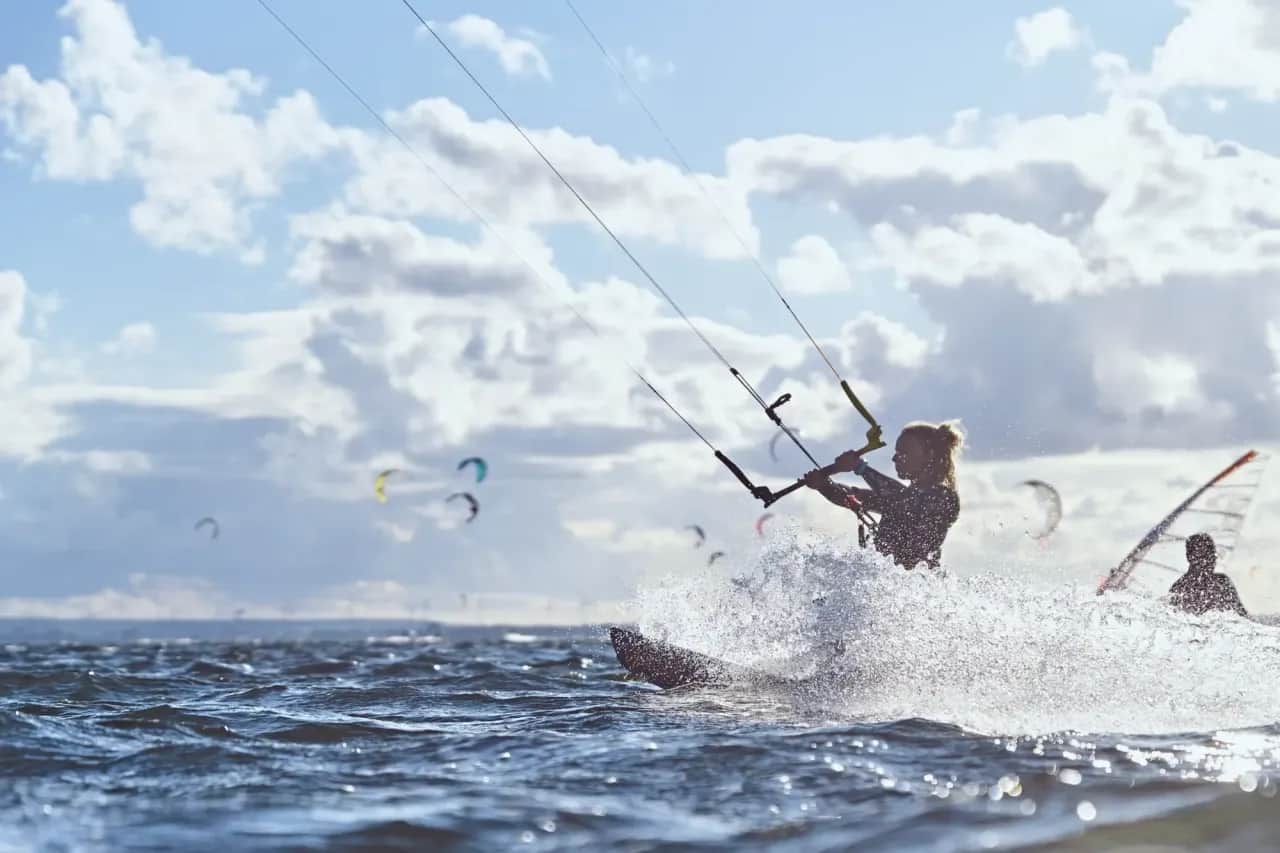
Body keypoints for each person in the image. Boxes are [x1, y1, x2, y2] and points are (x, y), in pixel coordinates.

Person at [802, 421, 963, 571]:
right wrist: (823, 485)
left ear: (929, 455)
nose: (894, 458)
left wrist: (860, 467)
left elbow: (903, 499)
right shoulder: (898, 498)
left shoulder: (944, 498)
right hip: (887, 583)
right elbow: (853, 497)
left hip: (917, 587)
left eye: (903, 452)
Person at [1168, 533, 1248, 617]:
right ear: (1190, 557)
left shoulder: (1222, 582)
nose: (1209, 559)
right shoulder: (1179, 590)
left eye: (1212, 553)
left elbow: (1242, 616)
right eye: (1202, 554)